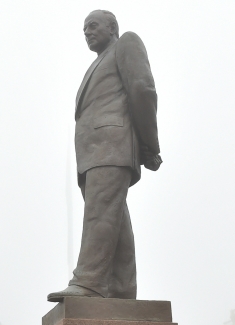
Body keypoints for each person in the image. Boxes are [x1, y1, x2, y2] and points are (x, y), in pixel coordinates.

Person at [48, 10, 161, 302]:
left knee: (100, 215)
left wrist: (150, 144)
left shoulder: (126, 44)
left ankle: (88, 282)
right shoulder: (98, 63)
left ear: (113, 28)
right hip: (93, 153)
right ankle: (122, 292)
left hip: (113, 146)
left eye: (93, 26)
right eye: (84, 28)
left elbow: (143, 89)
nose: (87, 32)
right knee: (114, 221)